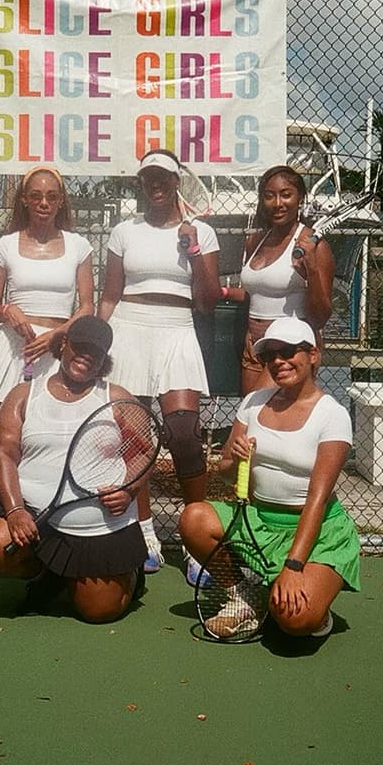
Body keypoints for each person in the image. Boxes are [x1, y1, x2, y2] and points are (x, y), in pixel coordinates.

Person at [178, 316, 360, 640]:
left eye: (289, 351)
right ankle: (245, 596)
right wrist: (232, 459)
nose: (278, 361)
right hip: (258, 520)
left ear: (313, 355)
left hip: (315, 532)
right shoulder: (252, 403)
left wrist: (293, 565)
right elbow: (226, 474)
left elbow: (317, 500)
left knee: (294, 620)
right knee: (194, 519)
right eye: (269, 355)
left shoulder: (333, 415)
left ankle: (312, 604)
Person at [0, 315, 148, 623]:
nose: (86, 357)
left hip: (99, 526)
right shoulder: (24, 395)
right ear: (63, 344)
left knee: (100, 611)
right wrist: (15, 510)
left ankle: (127, 574)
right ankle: (51, 572)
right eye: (80, 347)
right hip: (36, 516)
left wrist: (129, 489)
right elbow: (4, 453)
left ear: (104, 359)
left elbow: (145, 453)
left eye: (96, 353)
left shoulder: (117, 398)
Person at [98, 149, 221, 579]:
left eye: (164, 177)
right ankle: (145, 533)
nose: (156, 184)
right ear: (142, 183)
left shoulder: (201, 233)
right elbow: (110, 295)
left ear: (176, 183)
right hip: (128, 328)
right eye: (149, 177)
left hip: (177, 328)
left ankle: (196, 536)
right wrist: (97, 339)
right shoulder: (123, 232)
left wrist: (192, 251)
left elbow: (207, 302)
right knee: (134, 437)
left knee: (184, 432)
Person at [0, 166, 94, 404]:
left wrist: (57, 335)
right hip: (16, 349)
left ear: (60, 201)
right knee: (8, 427)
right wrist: (9, 311)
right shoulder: (4, 247)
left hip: (59, 347)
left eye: (52, 196)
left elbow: (88, 308)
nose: (43, 203)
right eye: (35, 196)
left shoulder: (79, 246)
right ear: (24, 200)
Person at [231, 165, 335, 395]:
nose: (278, 203)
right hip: (254, 344)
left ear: (300, 199)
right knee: (251, 417)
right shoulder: (255, 241)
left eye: (286, 194)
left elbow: (321, 316)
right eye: (269, 196)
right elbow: (255, 294)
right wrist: (224, 292)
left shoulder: (314, 246)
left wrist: (312, 269)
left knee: (262, 415)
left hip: (288, 345)